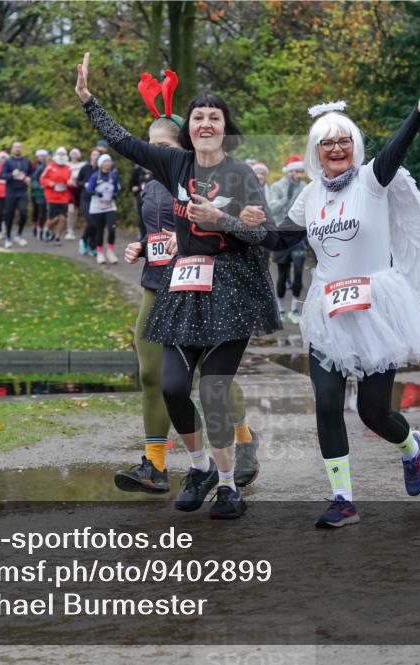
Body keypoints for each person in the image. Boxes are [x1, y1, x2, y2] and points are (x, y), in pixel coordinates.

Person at [255, 71, 420, 527]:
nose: (336, 149)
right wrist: (234, 220)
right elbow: (278, 243)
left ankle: (412, 447)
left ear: (354, 145)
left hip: (374, 307)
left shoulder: (372, 180)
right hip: (327, 311)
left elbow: (398, 147)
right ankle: (342, 499)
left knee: (374, 412)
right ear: (316, 152)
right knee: (328, 403)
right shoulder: (308, 196)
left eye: (343, 141)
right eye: (326, 143)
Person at [77, 53, 280, 519]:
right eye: (198, 116)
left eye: (214, 117)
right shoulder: (175, 165)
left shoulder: (241, 174)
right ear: (187, 126)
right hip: (184, 286)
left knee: (212, 389)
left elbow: (269, 238)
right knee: (172, 387)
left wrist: (224, 219)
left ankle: (228, 486)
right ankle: (201, 466)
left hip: (233, 287)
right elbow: (123, 141)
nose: (206, 123)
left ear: (225, 127)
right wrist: (89, 100)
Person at [118, 112, 262, 493]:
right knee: (153, 375)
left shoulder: (208, 181)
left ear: (182, 148)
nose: (153, 153)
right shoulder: (148, 188)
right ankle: (155, 464)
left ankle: (245, 440)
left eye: (162, 147)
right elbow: (153, 235)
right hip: (157, 285)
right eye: (149, 146)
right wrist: (141, 247)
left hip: (201, 287)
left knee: (212, 377)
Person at [268, 155, 308, 323]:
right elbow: (271, 208)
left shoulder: (305, 187)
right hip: (281, 235)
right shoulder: (277, 186)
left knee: (298, 271)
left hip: (299, 235)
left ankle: (294, 309)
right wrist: (287, 197)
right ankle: (281, 308)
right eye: (297, 171)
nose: (299, 175)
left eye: (301, 171)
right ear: (289, 172)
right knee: (282, 274)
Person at [86, 154, 122, 264]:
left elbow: (117, 189)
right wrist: (96, 192)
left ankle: (110, 252)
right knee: (99, 231)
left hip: (110, 207)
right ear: (101, 164)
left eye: (109, 161)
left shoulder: (114, 176)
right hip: (97, 208)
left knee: (112, 228)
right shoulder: (95, 176)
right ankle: (100, 252)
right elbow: (89, 190)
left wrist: (116, 194)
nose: (108, 164)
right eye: (106, 162)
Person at [0, 141, 32, 248]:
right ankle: (8, 238)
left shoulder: (26, 161)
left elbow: (32, 173)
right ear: (12, 149)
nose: (17, 149)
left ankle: (19, 235)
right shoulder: (8, 162)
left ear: (21, 149)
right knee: (9, 215)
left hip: (22, 192)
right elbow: (1, 176)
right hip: (11, 192)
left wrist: (29, 178)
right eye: (15, 147)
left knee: (23, 213)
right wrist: (11, 174)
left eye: (19, 147)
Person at [40, 147, 73, 247]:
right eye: (59, 154)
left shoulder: (68, 168)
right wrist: (50, 183)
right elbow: (42, 179)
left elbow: (70, 181)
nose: (61, 156)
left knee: (63, 218)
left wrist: (70, 183)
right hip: (52, 197)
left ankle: (57, 237)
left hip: (64, 196)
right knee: (53, 218)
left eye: (63, 154)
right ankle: (47, 228)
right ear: (56, 155)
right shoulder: (50, 166)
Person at [76, 149, 99, 256]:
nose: (95, 157)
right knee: (91, 222)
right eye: (94, 154)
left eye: (97, 155)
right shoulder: (85, 168)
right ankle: (83, 240)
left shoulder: (101, 169)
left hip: (97, 200)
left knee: (96, 224)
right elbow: (77, 182)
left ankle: (92, 246)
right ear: (90, 156)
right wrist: (84, 184)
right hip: (85, 199)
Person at [30, 149, 49, 239]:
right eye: (41, 156)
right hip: (36, 191)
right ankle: (36, 225)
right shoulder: (34, 166)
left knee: (44, 210)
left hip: (46, 191)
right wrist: (37, 186)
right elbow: (32, 178)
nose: (42, 157)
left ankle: (44, 228)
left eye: (44, 156)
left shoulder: (48, 165)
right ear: (37, 157)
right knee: (36, 209)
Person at [66, 148, 84, 241]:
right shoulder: (66, 165)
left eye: (76, 154)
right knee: (71, 210)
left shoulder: (82, 165)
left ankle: (72, 229)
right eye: (72, 154)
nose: (74, 156)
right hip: (69, 189)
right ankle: (69, 230)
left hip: (79, 190)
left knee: (76, 211)